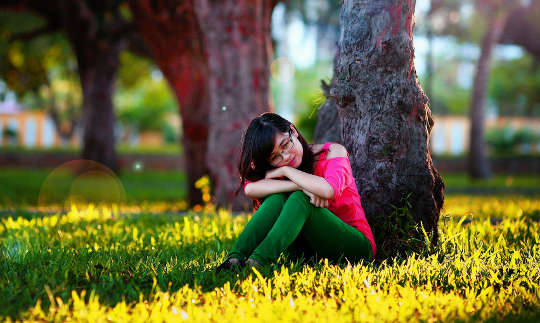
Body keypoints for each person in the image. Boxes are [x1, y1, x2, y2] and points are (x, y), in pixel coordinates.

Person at [216, 112, 376, 271]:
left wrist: (286, 171)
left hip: (354, 248)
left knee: (300, 198)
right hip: (306, 255)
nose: (285, 157)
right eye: (275, 157)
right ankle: (234, 259)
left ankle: (257, 262)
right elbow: (251, 188)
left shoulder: (332, 152)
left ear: (293, 131)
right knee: (277, 198)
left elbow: (329, 190)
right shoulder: (276, 169)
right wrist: (300, 186)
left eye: (285, 145)